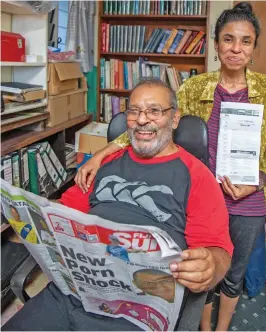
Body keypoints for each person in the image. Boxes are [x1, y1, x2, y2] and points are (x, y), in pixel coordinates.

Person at [75, 3, 266, 331]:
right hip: (201, 195)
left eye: (245, 41)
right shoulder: (194, 88)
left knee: (234, 271)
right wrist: (100, 154)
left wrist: (259, 179)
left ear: (254, 47)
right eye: (228, 40)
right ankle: (203, 327)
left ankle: (221, 329)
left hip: (249, 198)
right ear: (217, 45)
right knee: (202, 268)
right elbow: (153, 125)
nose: (236, 48)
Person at [3, 78, 233, 331]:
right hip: (72, 291)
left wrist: (210, 266)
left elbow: (218, 250)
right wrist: (31, 211)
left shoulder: (197, 176)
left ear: (175, 119)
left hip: (138, 306)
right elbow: (63, 212)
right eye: (134, 111)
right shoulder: (102, 164)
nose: (142, 120)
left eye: (155, 111)